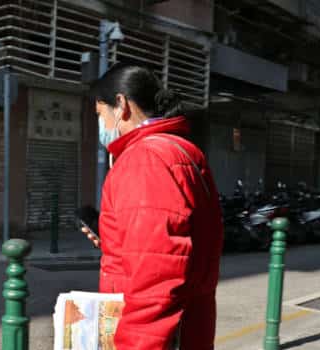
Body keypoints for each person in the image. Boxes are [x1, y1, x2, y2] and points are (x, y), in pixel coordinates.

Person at [81, 64, 224, 349]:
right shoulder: (181, 149)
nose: (101, 125)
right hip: (189, 327)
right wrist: (111, 238)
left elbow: (157, 275)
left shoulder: (145, 159)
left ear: (121, 105)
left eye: (100, 114)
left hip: (163, 337)